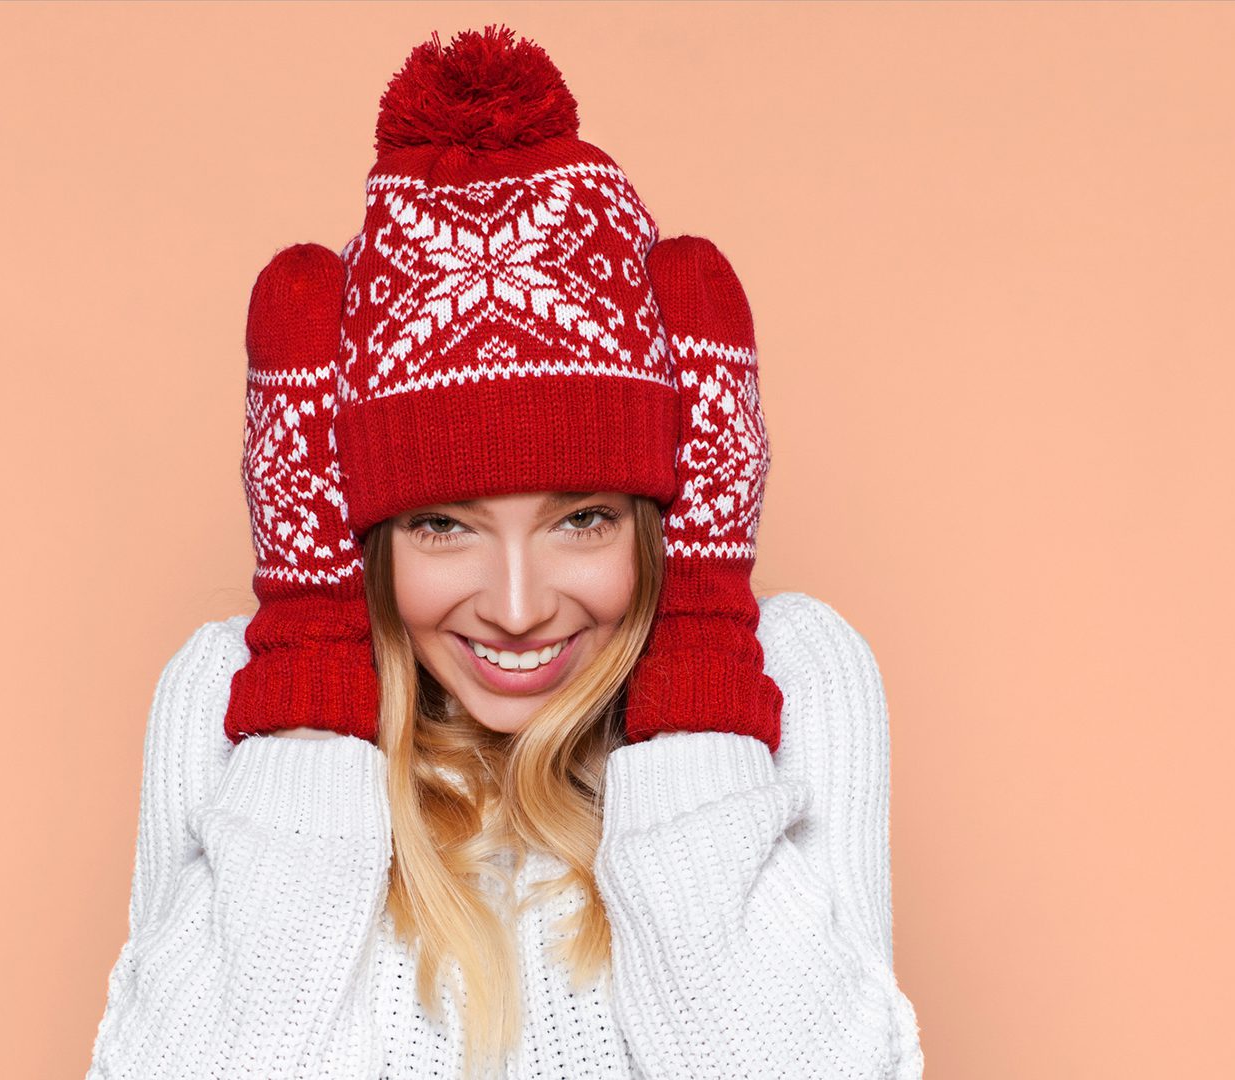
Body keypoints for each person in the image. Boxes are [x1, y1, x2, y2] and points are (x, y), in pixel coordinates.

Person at [85, 24, 923, 1080]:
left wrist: (703, 654)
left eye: (583, 519)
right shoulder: (229, 699)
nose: (519, 607)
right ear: (364, 529)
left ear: (667, 512)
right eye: (443, 523)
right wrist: (308, 678)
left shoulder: (791, 679)